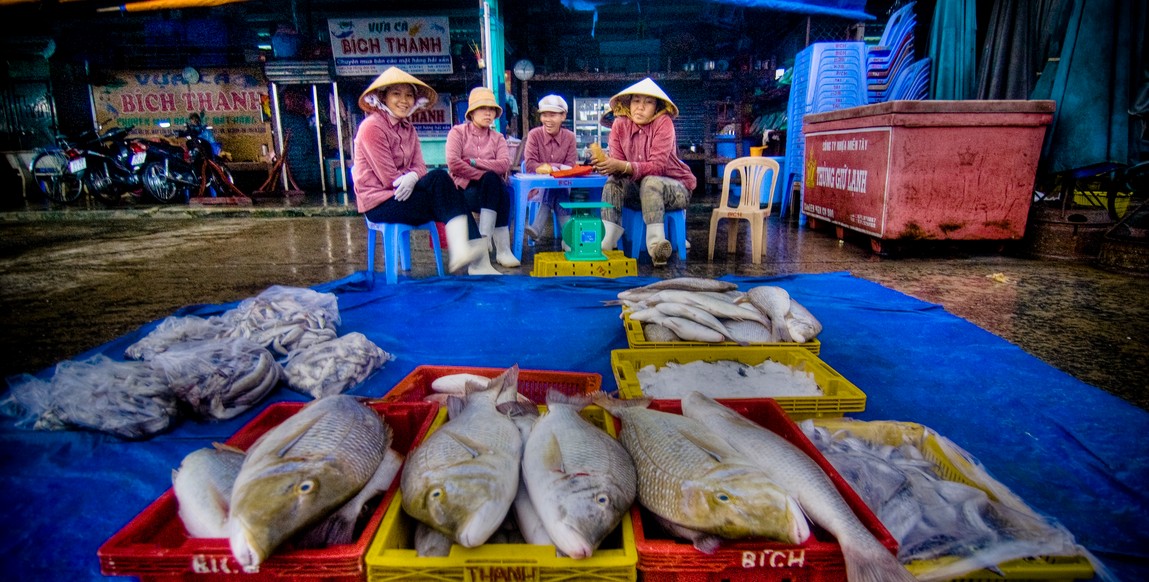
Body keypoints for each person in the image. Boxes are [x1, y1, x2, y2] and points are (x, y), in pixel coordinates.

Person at [351, 66, 492, 275]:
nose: (404, 100)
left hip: (406, 195)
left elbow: (420, 166)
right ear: (383, 98)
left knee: (444, 186)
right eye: (396, 94)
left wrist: (414, 175)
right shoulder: (372, 127)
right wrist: (413, 176)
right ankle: (477, 258)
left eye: (409, 95)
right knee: (442, 183)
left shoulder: (408, 128)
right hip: (381, 203)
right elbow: (390, 179)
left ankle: (475, 257)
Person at [591, 78, 697, 267]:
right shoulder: (620, 125)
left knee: (651, 181)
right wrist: (607, 165)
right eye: (636, 101)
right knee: (613, 181)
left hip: (674, 190)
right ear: (628, 104)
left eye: (648, 102)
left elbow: (657, 166)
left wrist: (623, 166)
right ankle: (607, 241)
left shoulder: (663, 123)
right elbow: (618, 164)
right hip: (638, 191)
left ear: (656, 108)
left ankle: (656, 247)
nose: (640, 107)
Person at [446, 86, 519, 269]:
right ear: (472, 112)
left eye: (491, 109)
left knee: (497, 184)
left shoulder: (498, 138)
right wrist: (483, 172)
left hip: (490, 192)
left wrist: (471, 161)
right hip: (464, 191)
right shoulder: (458, 133)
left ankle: (490, 242)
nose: (488, 113)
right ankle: (500, 248)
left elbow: (504, 164)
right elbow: (453, 163)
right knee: (493, 180)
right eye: (482, 108)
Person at [523, 94, 578, 243]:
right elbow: (530, 164)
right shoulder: (534, 135)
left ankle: (537, 227)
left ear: (563, 116)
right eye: (544, 115)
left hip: (563, 186)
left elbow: (570, 166)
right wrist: (558, 168)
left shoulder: (570, 137)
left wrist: (551, 169)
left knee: (556, 185)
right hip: (537, 189)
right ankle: (569, 238)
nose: (547, 120)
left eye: (552, 115)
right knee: (553, 185)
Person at [279, 89, 321, 192]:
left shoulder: (286, 118)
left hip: (297, 166)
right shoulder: (298, 122)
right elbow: (308, 145)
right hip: (304, 167)